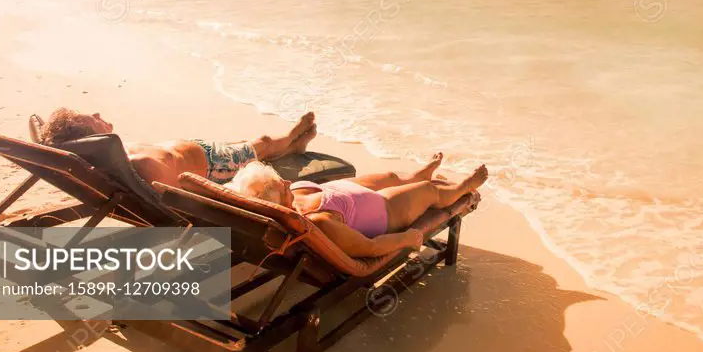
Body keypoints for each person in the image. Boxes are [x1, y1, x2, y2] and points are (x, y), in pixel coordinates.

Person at [224, 152, 488, 259]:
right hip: (386, 211)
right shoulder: (317, 221)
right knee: (428, 192)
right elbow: (369, 248)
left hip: (350, 193)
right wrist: (407, 238)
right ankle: (461, 189)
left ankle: (419, 174)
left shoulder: (292, 194)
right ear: (279, 201)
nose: (287, 181)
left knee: (393, 177)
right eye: (281, 185)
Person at [38, 107, 321, 188]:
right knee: (262, 142)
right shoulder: (141, 166)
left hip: (202, 151)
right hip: (216, 165)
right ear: (90, 136)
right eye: (93, 119)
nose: (99, 115)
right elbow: (182, 192)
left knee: (246, 144)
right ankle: (290, 139)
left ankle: (291, 147)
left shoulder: (114, 155)